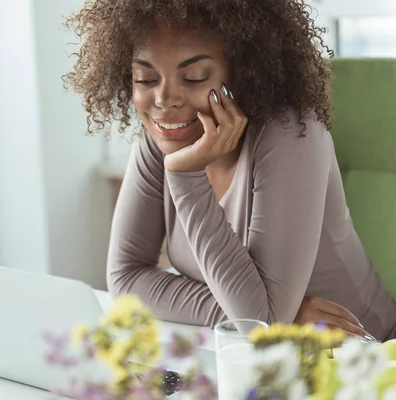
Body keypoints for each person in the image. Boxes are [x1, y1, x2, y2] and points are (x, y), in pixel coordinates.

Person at [64, 0, 396, 341]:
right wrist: (256, 314)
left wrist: (185, 176)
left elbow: (264, 318)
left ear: (243, 72)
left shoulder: (291, 135)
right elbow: (125, 279)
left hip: (365, 356)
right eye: (145, 78)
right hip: (253, 350)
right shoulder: (161, 137)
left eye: (193, 77)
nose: (163, 99)